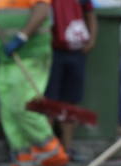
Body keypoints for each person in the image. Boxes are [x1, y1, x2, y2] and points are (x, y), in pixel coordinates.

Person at [0, 0, 70, 166]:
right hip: (7, 57)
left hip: (29, 54)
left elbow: (42, 9)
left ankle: (55, 159)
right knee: (9, 113)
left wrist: (22, 36)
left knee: (24, 107)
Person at [46, 0, 96, 156]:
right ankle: (47, 149)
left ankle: (66, 149)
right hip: (52, 50)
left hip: (75, 51)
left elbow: (90, 14)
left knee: (71, 102)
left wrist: (92, 40)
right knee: (49, 102)